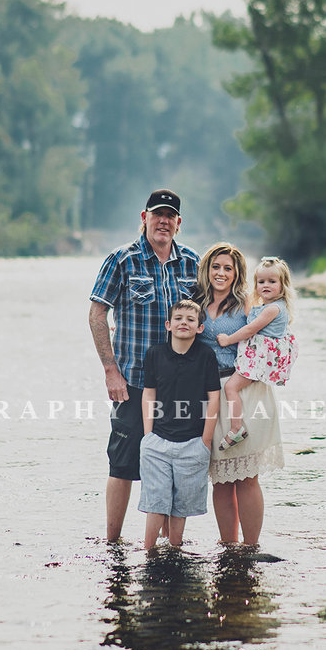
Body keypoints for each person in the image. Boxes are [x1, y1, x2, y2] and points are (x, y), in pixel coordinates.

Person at [89, 189, 199, 542]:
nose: (163, 221)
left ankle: (167, 546)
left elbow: (208, 318)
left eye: (170, 216)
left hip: (180, 386)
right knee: (122, 464)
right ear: (144, 218)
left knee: (174, 464)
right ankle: (113, 543)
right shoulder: (122, 259)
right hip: (133, 382)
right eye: (157, 214)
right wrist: (111, 371)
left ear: (178, 223)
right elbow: (97, 314)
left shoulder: (192, 263)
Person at [193, 243, 285, 546]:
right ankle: (229, 547)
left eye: (228, 268)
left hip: (246, 389)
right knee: (220, 478)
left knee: (246, 477)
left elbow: (272, 336)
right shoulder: (195, 302)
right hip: (210, 393)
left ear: (236, 274)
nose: (221, 273)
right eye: (216, 267)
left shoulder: (248, 303)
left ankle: (250, 547)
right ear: (207, 269)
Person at [139, 299, 221, 549]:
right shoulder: (155, 354)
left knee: (181, 507)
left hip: (193, 443)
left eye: (190, 319)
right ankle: (149, 551)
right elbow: (149, 393)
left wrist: (206, 440)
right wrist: (148, 435)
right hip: (157, 442)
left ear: (199, 328)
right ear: (168, 325)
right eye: (178, 318)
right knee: (155, 502)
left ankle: (176, 549)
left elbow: (214, 397)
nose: (183, 323)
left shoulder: (206, 356)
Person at [215, 256, 298, 450]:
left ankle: (236, 428)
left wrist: (228, 339)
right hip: (259, 356)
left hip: (259, 359)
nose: (265, 285)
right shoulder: (268, 306)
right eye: (261, 282)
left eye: (272, 281)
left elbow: (249, 330)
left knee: (231, 387)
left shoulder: (272, 309)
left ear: (283, 284)